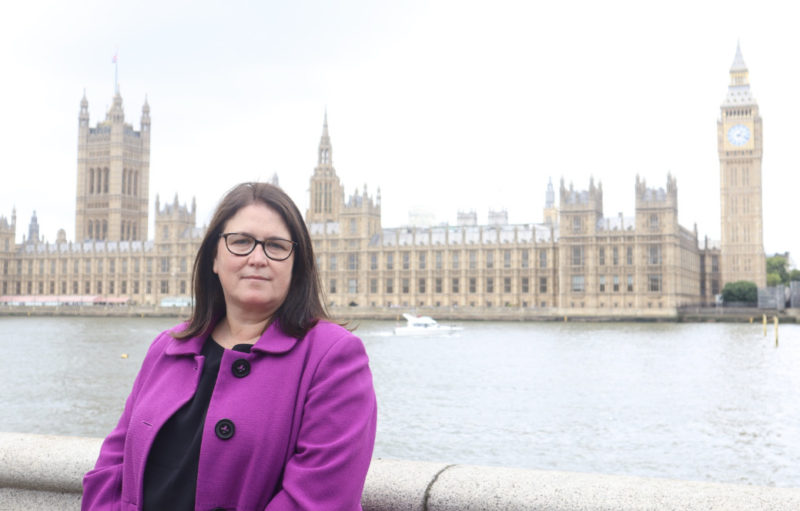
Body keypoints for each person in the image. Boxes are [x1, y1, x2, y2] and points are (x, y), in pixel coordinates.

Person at [82, 182, 377, 510]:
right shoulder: (166, 349)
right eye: (241, 242)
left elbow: (319, 499)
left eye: (276, 246)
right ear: (213, 258)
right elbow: (111, 467)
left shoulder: (333, 357)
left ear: (297, 265)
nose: (257, 258)